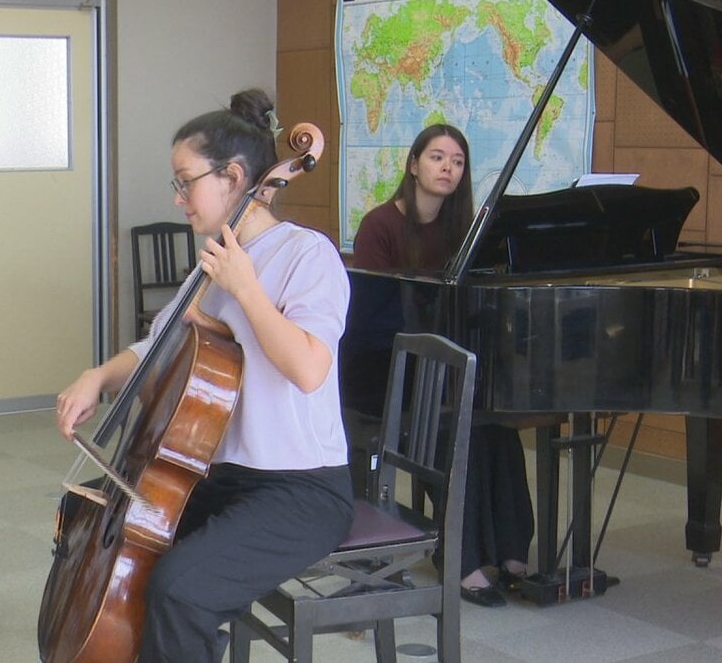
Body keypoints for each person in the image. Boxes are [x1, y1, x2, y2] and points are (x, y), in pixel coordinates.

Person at [55, 89, 354, 662]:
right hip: (219, 476)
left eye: (185, 181)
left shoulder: (305, 254)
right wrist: (97, 376)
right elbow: (157, 347)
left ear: (235, 175)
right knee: (110, 539)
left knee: (181, 589)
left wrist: (246, 289)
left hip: (300, 487)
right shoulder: (214, 260)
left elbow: (310, 367)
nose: (178, 199)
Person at [343, 123, 533, 608]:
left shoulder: (466, 231)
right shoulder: (380, 225)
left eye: (457, 161)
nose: (448, 167)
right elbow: (372, 318)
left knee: (498, 427)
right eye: (436, 157)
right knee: (459, 429)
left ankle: (512, 553)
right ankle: (462, 560)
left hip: (443, 370)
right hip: (386, 371)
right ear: (414, 165)